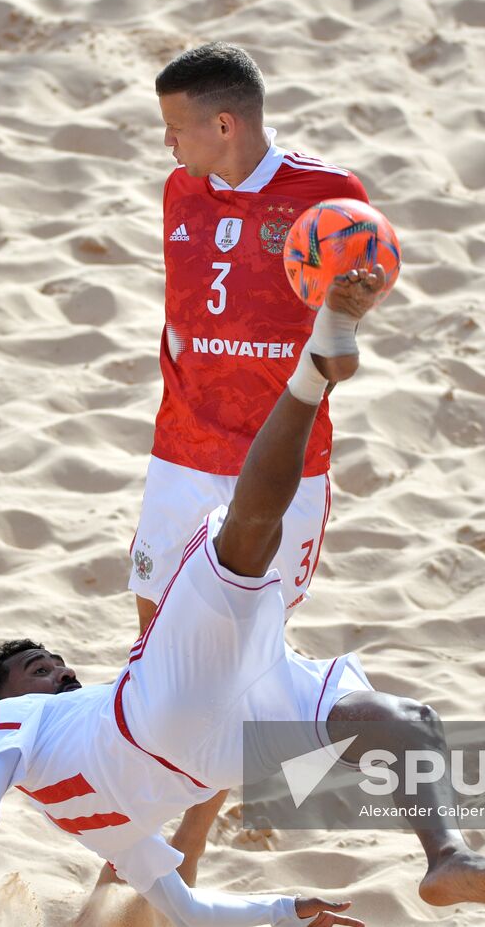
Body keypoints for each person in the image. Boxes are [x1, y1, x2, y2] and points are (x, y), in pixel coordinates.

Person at [0, 271, 485, 925]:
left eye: (56, 660)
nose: (63, 669)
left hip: (215, 757)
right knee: (240, 534)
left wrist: (290, 913)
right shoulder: (13, 723)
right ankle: (312, 369)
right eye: (38, 669)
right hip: (152, 708)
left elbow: (189, 912)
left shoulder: (101, 829)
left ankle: (445, 854)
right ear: (3, 700)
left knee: (405, 721)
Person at [131, 41, 372, 634]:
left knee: (252, 641)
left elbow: (343, 339)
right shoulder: (180, 190)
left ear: (222, 124)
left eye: (175, 128)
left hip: (282, 461)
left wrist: (350, 313)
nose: (168, 142)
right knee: (153, 636)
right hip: (182, 452)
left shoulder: (330, 198)